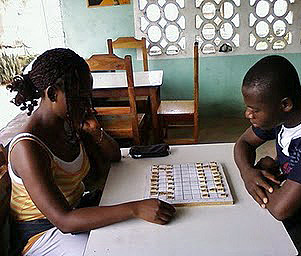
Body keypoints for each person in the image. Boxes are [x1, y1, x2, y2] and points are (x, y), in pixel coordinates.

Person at [6, 48, 175, 256]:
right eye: (80, 98)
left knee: (140, 232)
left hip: (77, 211)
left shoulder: (68, 123)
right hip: (43, 234)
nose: (87, 105)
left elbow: (114, 156)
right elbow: (64, 221)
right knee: (118, 247)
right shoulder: (27, 148)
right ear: (52, 94)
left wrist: (96, 132)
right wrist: (135, 208)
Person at [234, 55, 301, 255]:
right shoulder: (286, 115)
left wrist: (261, 178)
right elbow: (242, 144)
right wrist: (249, 173)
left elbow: (281, 209)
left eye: (254, 110)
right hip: (294, 198)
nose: (248, 115)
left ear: (285, 104)